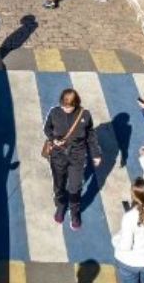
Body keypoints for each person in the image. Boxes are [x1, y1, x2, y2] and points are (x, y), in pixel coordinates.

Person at [43, 88, 103, 230]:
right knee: (59, 184)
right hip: (58, 155)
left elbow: (90, 135)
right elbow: (47, 129)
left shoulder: (85, 115)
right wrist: (53, 139)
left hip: (77, 156)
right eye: (64, 105)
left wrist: (96, 154)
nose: (67, 109)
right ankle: (60, 205)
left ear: (76, 103)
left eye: (70, 106)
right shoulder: (54, 112)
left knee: (75, 187)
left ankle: (75, 212)